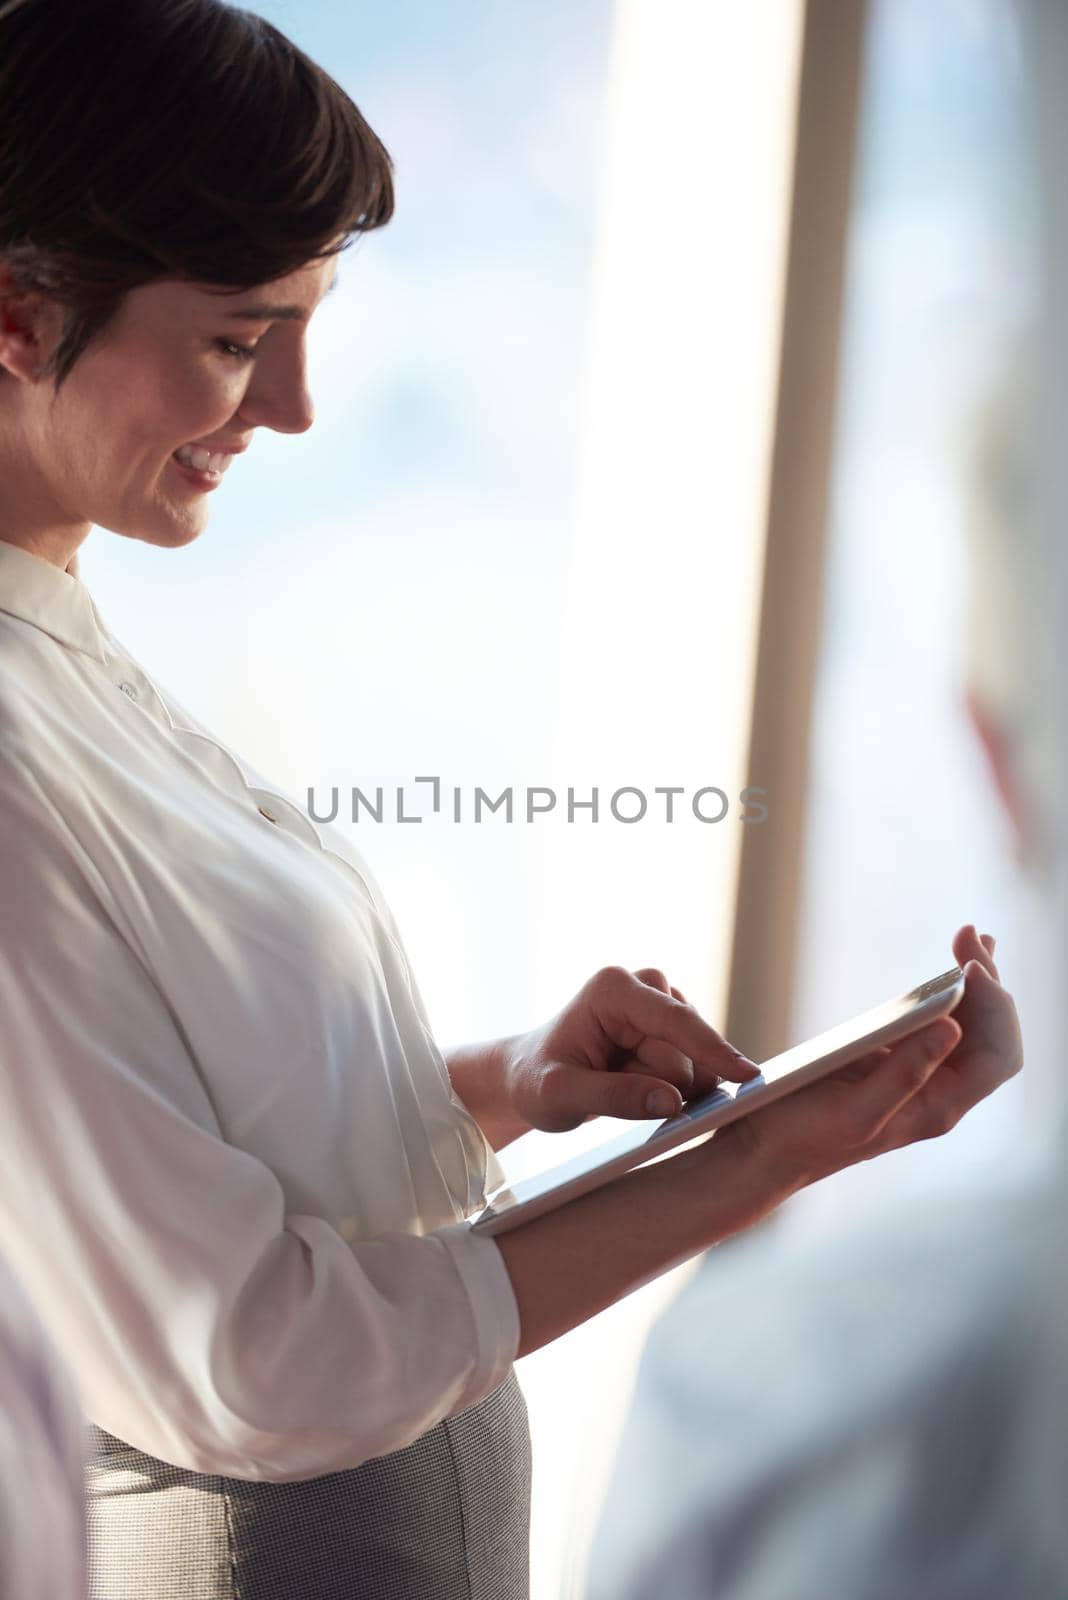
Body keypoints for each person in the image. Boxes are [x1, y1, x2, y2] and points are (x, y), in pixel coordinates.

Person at [0, 2, 1024, 1596]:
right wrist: (762, 1161)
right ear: (16, 316)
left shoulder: (59, 651)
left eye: (309, 326)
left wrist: (497, 1082)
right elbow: (247, 1363)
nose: (294, 406)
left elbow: (188, 1143)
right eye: (234, 338)